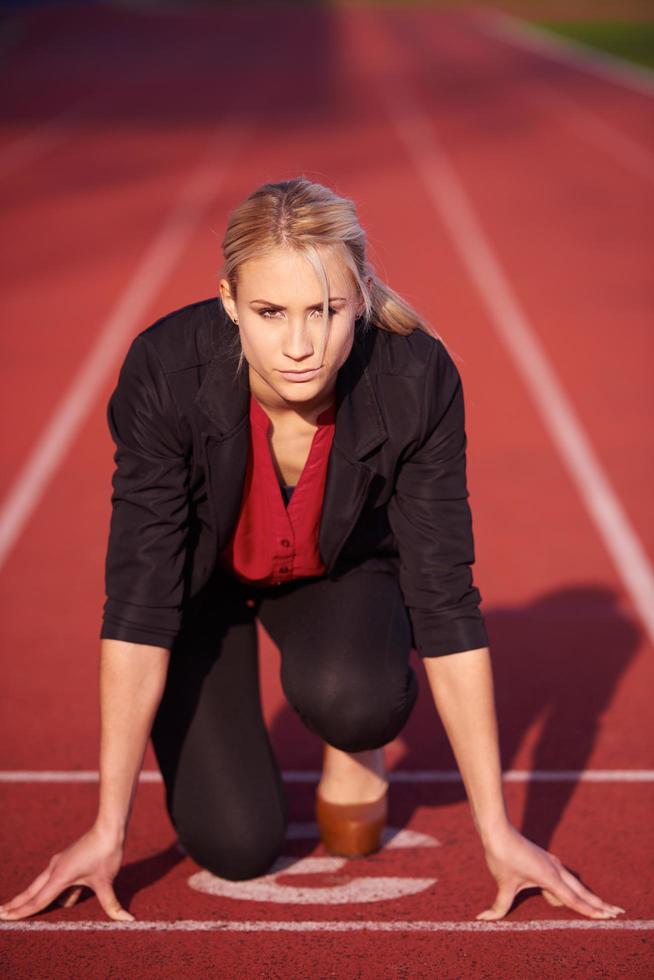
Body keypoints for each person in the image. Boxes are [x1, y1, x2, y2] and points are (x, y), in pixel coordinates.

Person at [0, 177, 624, 924]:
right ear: (228, 301)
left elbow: (444, 598)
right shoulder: (166, 374)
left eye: (326, 312)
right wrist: (107, 829)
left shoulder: (416, 378)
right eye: (269, 313)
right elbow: (141, 601)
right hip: (205, 594)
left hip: (337, 572)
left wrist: (498, 831)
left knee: (357, 700)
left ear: (361, 297)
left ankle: (350, 738)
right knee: (234, 846)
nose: (300, 346)